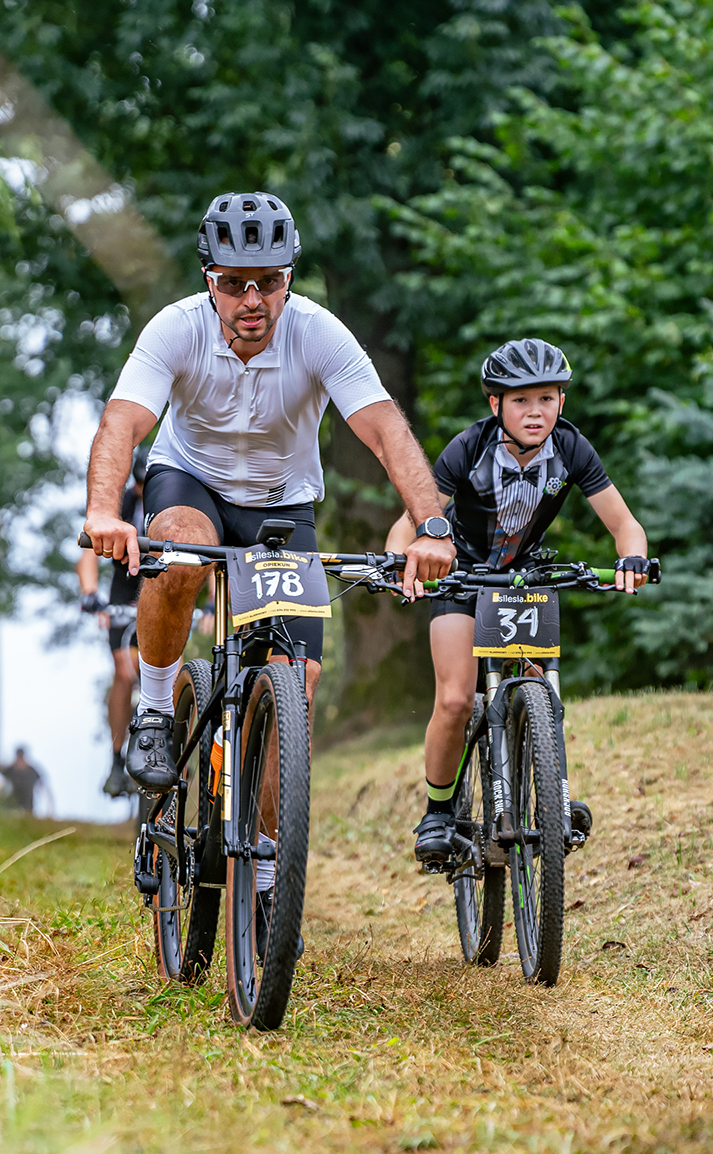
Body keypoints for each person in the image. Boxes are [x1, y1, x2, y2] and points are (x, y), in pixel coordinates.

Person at [81, 189, 457, 812]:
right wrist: (103, 511)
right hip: (191, 482)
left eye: (269, 281)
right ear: (210, 280)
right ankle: (155, 709)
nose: (252, 299)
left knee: (298, 683)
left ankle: (264, 854)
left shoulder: (318, 332)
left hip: (281, 505)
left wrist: (432, 526)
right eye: (234, 283)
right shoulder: (176, 328)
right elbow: (122, 422)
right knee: (180, 555)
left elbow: (386, 430)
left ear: (289, 278)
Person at [384, 338, 650, 864]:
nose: (535, 412)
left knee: (541, 688)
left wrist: (633, 559)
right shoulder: (468, 447)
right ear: (495, 404)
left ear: (561, 402)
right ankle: (438, 811)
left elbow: (625, 525)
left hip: (524, 578)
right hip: (460, 576)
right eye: (521, 400)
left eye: (547, 399)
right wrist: (397, 562)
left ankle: (551, 794)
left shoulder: (571, 448)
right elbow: (411, 521)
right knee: (455, 700)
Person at [77, 448, 149, 796]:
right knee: (124, 672)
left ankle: (175, 743)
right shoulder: (122, 503)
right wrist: (90, 593)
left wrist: (211, 604)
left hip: (162, 588)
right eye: (138, 483)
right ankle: (117, 758)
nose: (141, 490)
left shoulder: (175, 501)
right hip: (123, 591)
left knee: (173, 669)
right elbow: (88, 554)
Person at [0, 746, 46, 817]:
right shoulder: (9, 770)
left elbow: (42, 785)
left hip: (28, 807)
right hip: (12, 806)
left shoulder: (32, 771)